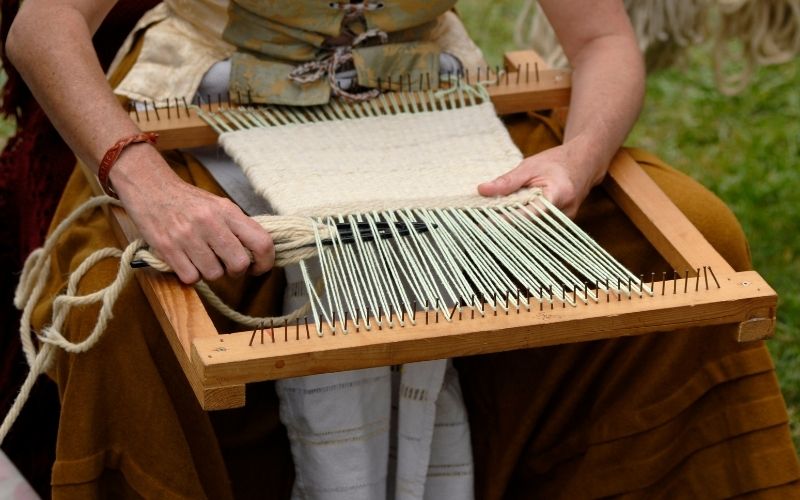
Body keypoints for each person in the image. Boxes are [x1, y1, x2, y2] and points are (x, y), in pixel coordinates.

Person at [5, 0, 800, 498]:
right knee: (128, 309)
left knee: (697, 238)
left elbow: (602, 39)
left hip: (435, 106)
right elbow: (43, 26)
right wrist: (142, 182)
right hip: (207, 106)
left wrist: (576, 159)